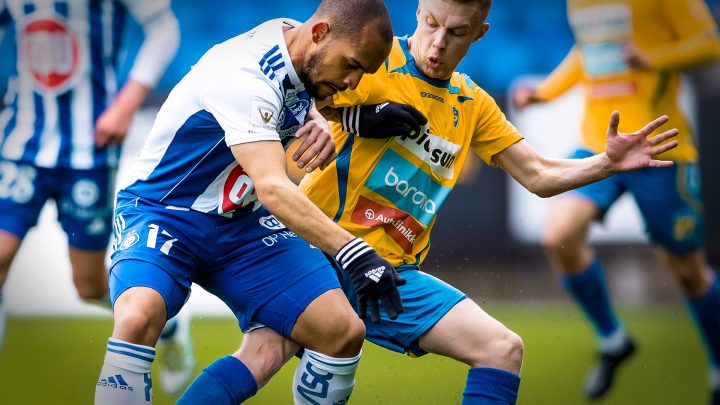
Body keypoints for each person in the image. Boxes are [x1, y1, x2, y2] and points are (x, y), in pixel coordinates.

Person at [208, 0, 680, 404]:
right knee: (265, 353)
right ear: (417, 11)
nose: (437, 45)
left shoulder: (472, 103)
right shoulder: (373, 57)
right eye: (431, 23)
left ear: (479, 33)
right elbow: (300, 73)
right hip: (319, 256)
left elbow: (538, 175)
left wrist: (607, 163)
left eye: (456, 33)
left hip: (392, 276)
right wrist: (346, 117)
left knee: (503, 348)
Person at [95, 1, 407, 404]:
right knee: (138, 317)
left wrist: (343, 121)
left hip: (241, 223)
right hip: (164, 211)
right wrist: (355, 253)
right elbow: (274, 188)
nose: (352, 82)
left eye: (362, 72)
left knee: (341, 331)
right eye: (352, 65)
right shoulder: (242, 76)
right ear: (319, 33)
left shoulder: (293, 37)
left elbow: (297, 93)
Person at [513, 0, 720, 402]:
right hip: (600, 145)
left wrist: (655, 56)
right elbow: (587, 50)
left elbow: (710, 44)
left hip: (660, 147)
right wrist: (544, 92)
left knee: (688, 273)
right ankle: (614, 340)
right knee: (559, 233)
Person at [0, 0, 196, 395]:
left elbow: (164, 29)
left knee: (88, 284)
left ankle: (170, 326)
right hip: (19, 143)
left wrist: (126, 104)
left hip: (89, 147)